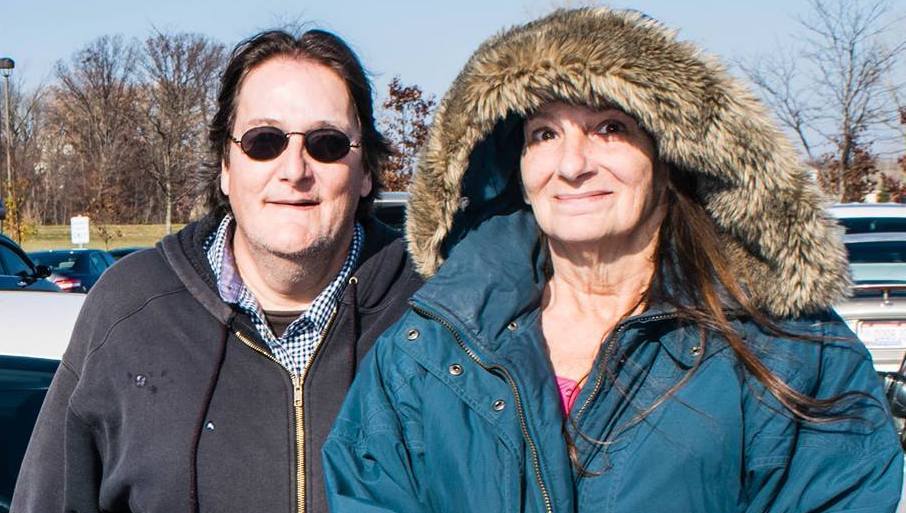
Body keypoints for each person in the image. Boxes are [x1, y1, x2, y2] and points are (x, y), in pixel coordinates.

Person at [322, 8, 903, 513]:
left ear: (669, 153)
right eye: (544, 134)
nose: (572, 164)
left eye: (609, 127)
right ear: (517, 168)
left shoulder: (789, 347)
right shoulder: (431, 347)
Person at [11, 29, 421, 513]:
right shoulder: (130, 310)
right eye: (263, 141)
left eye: (326, 143)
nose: (294, 169)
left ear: (367, 169)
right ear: (226, 165)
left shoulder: (433, 317)